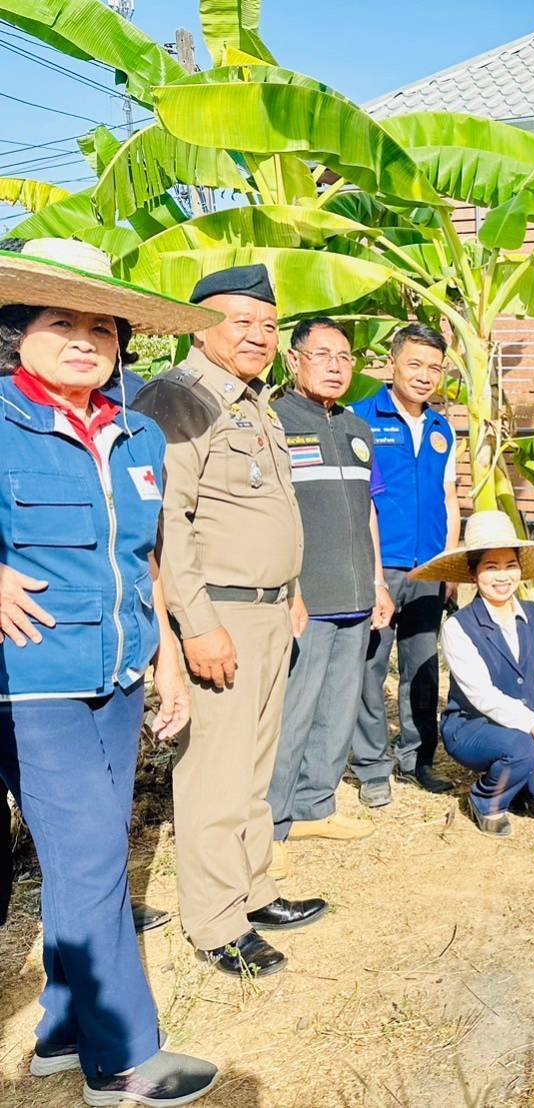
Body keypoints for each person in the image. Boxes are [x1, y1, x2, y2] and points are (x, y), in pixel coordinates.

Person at [0, 238, 219, 1103]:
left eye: (103, 325)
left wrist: (165, 657)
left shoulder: (139, 433)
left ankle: (60, 1030)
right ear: (18, 331)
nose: (87, 339)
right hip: (32, 677)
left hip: (122, 670)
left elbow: (148, 559)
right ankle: (123, 1059)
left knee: (81, 855)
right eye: (63, 322)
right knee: (92, 858)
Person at [134, 264, 326, 979]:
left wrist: (292, 588)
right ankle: (216, 922)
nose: (258, 335)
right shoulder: (179, 399)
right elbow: (168, 524)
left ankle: (252, 889)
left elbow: (265, 509)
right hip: (221, 613)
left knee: (253, 767)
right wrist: (198, 626)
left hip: (270, 609)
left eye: (269, 324)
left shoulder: (253, 402)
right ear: (199, 324)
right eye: (241, 320)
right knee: (216, 773)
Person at [265, 320, 395, 866]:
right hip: (305, 598)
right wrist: (288, 586)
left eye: (345, 356)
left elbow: (368, 508)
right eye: (323, 355)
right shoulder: (273, 421)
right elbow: (271, 513)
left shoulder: (358, 429)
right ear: (294, 361)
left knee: (339, 707)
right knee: (293, 708)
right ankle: (272, 817)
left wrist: (380, 580)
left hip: (356, 594)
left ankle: (317, 806)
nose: (337, 366)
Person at [411, 511, 534, 835]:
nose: (502, 577)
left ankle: (511, 778)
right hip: (473, 727)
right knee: (527, 749)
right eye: (491, 567)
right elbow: (482, 695)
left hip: (530, 726)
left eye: (510, 566)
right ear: (473, 574)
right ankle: (485, 800)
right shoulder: (459, 627)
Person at [349, 324, 460, 805]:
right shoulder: (361, 418)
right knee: (370, 668)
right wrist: (374, 576)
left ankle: (418, 759)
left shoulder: (442, 428)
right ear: (392, 363)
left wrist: (451, 566)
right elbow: (360, 503)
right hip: (383, 568)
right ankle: (372, 766)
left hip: (430, 570)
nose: (424, 376)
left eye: (433, 368)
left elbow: (450, 497)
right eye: (414, 364)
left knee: (424, 668)